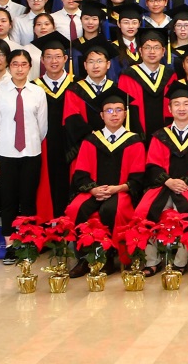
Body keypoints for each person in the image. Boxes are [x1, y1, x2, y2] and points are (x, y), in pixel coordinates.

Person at [65, 90, 145, 274]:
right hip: (94, 190)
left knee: (112, 209)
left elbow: (138, 178)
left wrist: (118, 188)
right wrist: (93, 190)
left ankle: (109, 257)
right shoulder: (91, 141)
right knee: (76, 208)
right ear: (101, 115)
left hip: (121, 191)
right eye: (109, 110)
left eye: (118, 110)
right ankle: (84, 258)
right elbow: (80, 174)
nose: (114, 114)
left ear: (125, 114)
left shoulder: (134, 141)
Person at [134, 84, 188, 251]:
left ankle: (182, 259)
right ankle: (151, 260)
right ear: (169, 109)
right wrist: (168, 181)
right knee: (143, 209)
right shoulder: (160, 136)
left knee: (187, 207)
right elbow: (152, 165)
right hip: (163, 186)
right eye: (177, 104)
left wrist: (182, 183)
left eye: (186, 104)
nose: (182, 108)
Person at [0, 49, 48, 265]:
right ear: (9, 66)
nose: (19, 69)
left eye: (23, 64)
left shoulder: (37, 92)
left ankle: (28, 243)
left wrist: (31, 142)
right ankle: (10, 245)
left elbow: (42, 126)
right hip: (6, 153)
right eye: (15, 64)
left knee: (28, 200)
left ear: (30, 67)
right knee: (8, 201)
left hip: (31, 152)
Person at [30, 32, 75, 218]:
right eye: (48, 57)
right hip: (44, 143)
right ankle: (47, 223)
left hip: (71, 145)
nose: (53, 61)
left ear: (65, 58)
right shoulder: (33, 87)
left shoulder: (77, 84)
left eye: (58, 56)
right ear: (42, 60)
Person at [117, 28, 177, 138]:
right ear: (140, 51)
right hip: (137, 134)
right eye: (147, 47)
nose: (152, 52)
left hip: (165, 136)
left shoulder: (170, 75)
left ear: (163, 51)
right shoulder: (128, 76)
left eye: (156, 47)